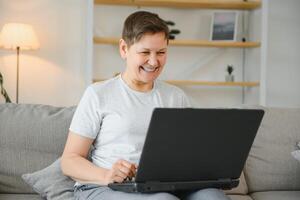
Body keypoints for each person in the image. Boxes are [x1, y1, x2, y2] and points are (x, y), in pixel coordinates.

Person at [61, 11, 230, 200]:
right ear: (124, 49)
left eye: (161, 52)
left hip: (164, 185)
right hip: (106, 187)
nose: (153, 61)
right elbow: (69, 161)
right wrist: (106, 175)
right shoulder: (98, 94)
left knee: (213, 196)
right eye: (144, 52)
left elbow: (187, 154)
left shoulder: (176, 97)